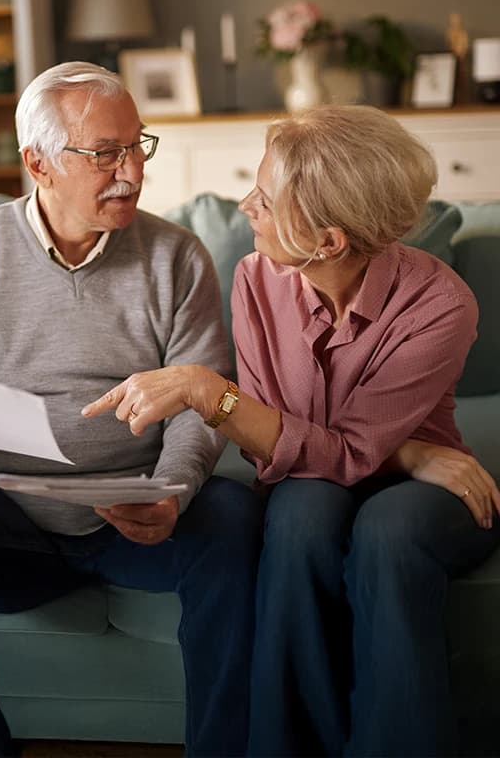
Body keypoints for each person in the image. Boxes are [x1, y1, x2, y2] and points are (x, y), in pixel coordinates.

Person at [83, 105, 500, 757]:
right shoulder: (255, 280)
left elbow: (329, 444)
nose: (246, 204)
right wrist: (410, 451)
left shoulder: (441, 304)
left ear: (329, 241)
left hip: (431, 491)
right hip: (360, 469)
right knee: (300, 513)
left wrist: (208, 390)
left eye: (267, 200)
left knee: (388, 535)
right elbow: (273, 455)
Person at [0, 62, 264, 758]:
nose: (131, 172)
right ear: (38, 163)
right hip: (5, 514)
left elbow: (200, 406)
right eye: (104, 153)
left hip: (140, 513)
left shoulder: (177, 257)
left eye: (136, 146)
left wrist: (173, 491)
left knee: (236, 520)